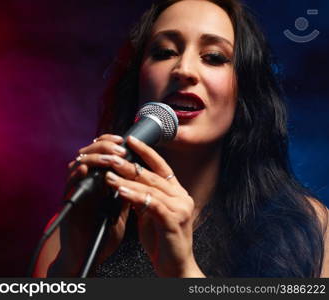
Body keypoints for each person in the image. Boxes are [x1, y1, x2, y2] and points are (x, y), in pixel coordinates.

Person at [33, 0, 329, 277]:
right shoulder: (75, 224)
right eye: (164, 53)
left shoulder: (307, 226)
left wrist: (183, 272)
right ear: (138, 82)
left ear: (244, 92)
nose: (184, 70)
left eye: (214, 57)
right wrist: (73, 264)